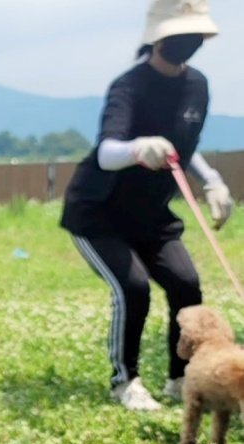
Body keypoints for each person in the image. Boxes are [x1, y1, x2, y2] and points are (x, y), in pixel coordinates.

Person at [60, 0, 234, 411]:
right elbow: (106, 152)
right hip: (98, 213)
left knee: (187, 285)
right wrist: (138, 147)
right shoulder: (129, 86)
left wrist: (212, 181)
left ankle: (181, 378)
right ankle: (126, 381)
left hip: (152, 215)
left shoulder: (198, 86)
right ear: (158, 38)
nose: (187, 42)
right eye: (179, 35)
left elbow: (183, 148)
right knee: (133, 288)